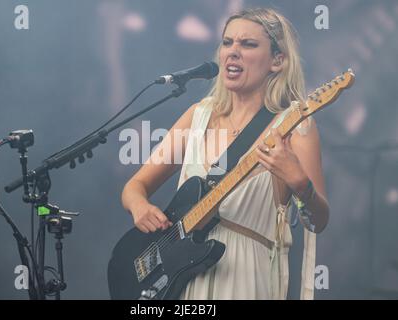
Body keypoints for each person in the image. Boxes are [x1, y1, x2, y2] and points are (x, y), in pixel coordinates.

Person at [121, 7, 329, 300]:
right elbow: (134, 187)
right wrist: (140, 207)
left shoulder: (296, 125)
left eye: (248, 44)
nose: (233, 51)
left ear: (278, 61)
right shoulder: (198, 116)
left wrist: (300, 184)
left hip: (245, 277)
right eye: (227, 42)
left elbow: (318, 221)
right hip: (181, 278)